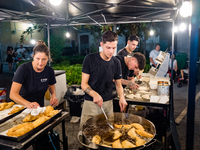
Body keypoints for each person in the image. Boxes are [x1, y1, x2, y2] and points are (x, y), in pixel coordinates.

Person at [80, 31, 127, 127]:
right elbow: (84, 84)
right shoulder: (89, 59)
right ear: (101, 45)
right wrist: (94, 94)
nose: (111, 51)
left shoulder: (117, 62)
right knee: (88, 134)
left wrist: (122, 97)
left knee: (107, 134)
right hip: (91, 103)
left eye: (114, 48)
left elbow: (119, 85)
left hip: (108, 103)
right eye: (108, 47)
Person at [10, 43, 59, 108]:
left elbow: (51, 85)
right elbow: (13, 94)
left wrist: (53, 95)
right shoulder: (23, 69)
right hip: (21, 106)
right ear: (33, 56)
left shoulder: (49, 70)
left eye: (44, 59)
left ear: (48, 58)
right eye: (37, 59)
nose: (40, 63)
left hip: (38, 106)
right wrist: (27, 104)